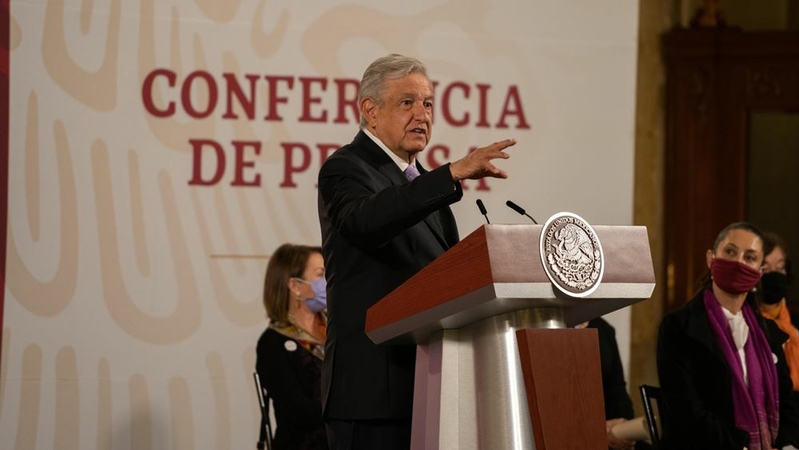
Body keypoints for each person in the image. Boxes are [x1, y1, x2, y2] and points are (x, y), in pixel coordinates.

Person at [317, 53, 515, 450]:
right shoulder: (346, 167)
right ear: (370, 112)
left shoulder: (423, 182)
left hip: (431, 387)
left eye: (427, 103)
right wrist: (451, 173)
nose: (422, 114)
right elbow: (367, 221)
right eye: (407, 102)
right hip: (372, 392)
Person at [656, 222, 799, 450]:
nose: (738, 262)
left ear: (760, 272)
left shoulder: (768, 333)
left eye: (749, 257)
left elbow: (787, 403)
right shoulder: (679, 327)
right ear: (711, 258)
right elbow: (686, 411)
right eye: (730, 252)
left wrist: (789, 445)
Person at [255, 244, 328, 450]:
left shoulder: (339, 331)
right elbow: (295, 410)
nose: (329, 282)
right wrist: (348, 408)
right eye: (320, 274)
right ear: (295, 286)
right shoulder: (272, 343)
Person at [581, 318, 651, 450]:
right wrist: (598, 431)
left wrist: (623, 429)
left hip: (609, 430)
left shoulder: (604, 329)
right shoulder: (550, 325)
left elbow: (618, 389)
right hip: (575, 433)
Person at [759, 233, 798, 396]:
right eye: (765, 269)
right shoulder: (745, 323)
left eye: (780, 268)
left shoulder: (793, 323)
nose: (774, 275)